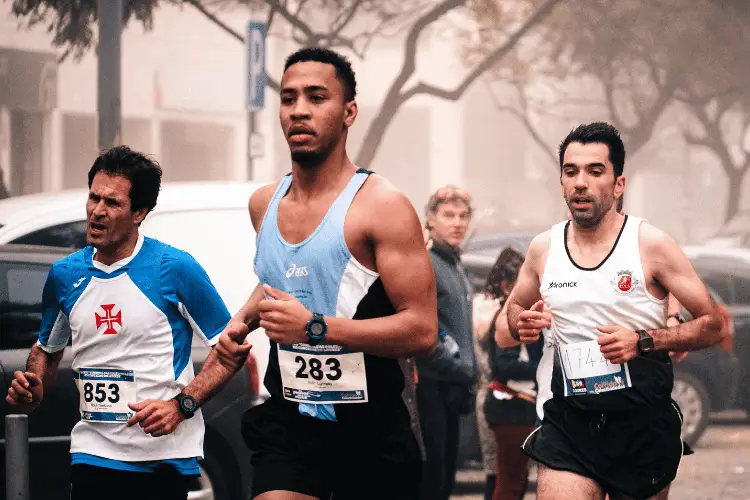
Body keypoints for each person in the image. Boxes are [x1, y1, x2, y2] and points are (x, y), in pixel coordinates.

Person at [215, 47, 437, 500]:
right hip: (290, 422)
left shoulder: (383, 206)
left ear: (349, 111)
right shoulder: (264, 204)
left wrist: (314, 328)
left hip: (372, 426)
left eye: (317, 97)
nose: (299, 110)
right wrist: (242, 319)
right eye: (289, 98)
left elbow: (422, 330)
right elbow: (284, 277)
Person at [498, 122, 726, 500]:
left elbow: (713, 324)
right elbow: (513, 312)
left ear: (619, 184)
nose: (580, 182)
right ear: (561, 181)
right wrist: (522, 322)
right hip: (569, 424)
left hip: (641, 426)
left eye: (595, 171)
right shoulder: (544, 248)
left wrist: (643, 341)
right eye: (571, 172)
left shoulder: (650, 244)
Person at [5, 146, 248, 500]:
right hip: (93, 450)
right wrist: (34, 385)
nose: (97, 212)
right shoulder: (64, 275)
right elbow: (46, 349)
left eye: (112, 203)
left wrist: (181, 406)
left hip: (161, 455)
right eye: (93, 198)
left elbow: (231, 351)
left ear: (139, 213)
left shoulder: (175, 269)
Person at [417, 185, 477, 500]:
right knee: (433, 480)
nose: (457, 223)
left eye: (463, 216)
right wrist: (456, 365)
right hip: (430, 385)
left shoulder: (454, 263)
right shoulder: (425, 262)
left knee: (446, 481)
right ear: (430, 220)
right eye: (448, 215)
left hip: (453, 385)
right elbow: (422, 328)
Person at [482, 247, 543, 500]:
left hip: (517, 407)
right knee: (510, 483)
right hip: (511, 406)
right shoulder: (509, 318)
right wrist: (546, 369)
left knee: (510, 482)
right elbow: (503, 366)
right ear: (508, 286)